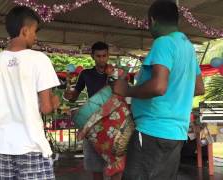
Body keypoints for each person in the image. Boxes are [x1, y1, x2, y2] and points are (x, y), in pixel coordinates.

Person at [112, 1, 205, 180]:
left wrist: (127, 90)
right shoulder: (187, 46)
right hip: (176, 133)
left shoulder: (163, 42)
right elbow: (199, 87)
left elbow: (158, 86)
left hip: (152, 131)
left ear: (152, 20)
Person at [0, 6, 60, 180]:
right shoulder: (40, 60)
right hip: (31, 145)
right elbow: (46, 108)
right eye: (34, 31)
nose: (35, 36)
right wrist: (55, 101)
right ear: (24, 31)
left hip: (3, 146)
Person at [64, 41, 121, 180]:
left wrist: (112, 76)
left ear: (108, 55)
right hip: (92, 122)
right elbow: (74, 96)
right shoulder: (85, 74)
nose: (102, 59)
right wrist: (69, 95)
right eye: (98, 56)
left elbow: (120, 94)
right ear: (92, 56)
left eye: (104, 56)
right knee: (95, 166)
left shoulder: (116, 72)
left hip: (113, 122)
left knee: (116, 165)